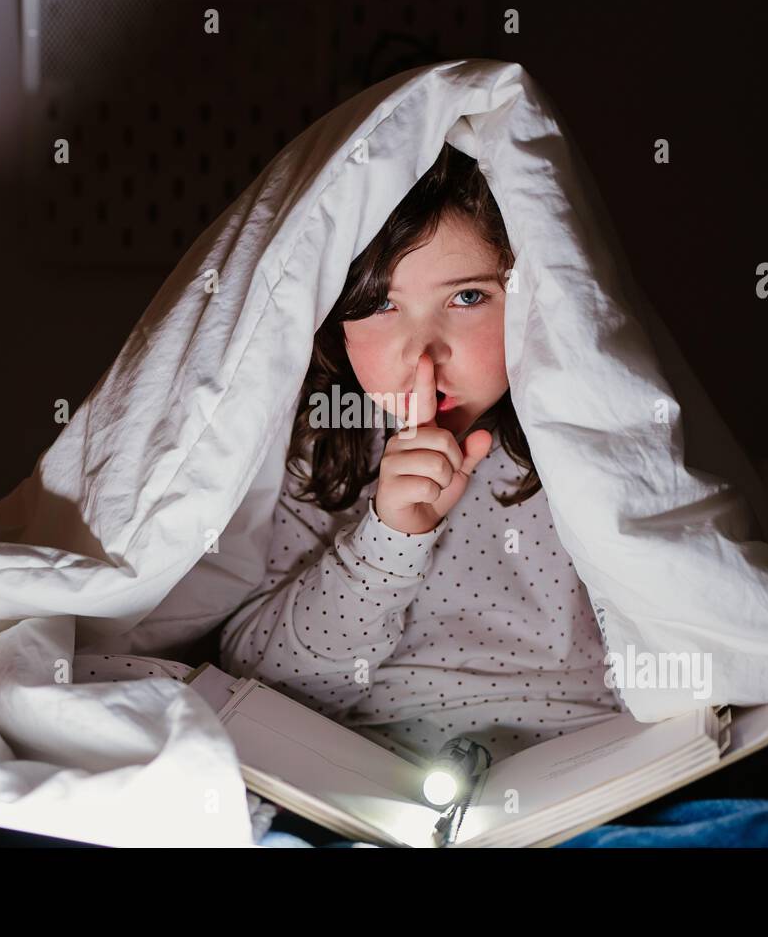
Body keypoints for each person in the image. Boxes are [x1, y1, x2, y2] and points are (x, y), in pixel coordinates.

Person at [220, 143, 625, 770]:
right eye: (382, 305)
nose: (423, 354)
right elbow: (262, 676)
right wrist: (389, 538)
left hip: (588, 752)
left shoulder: (589, 432)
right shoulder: (326, 445)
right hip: (380, 759)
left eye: (467, 298)